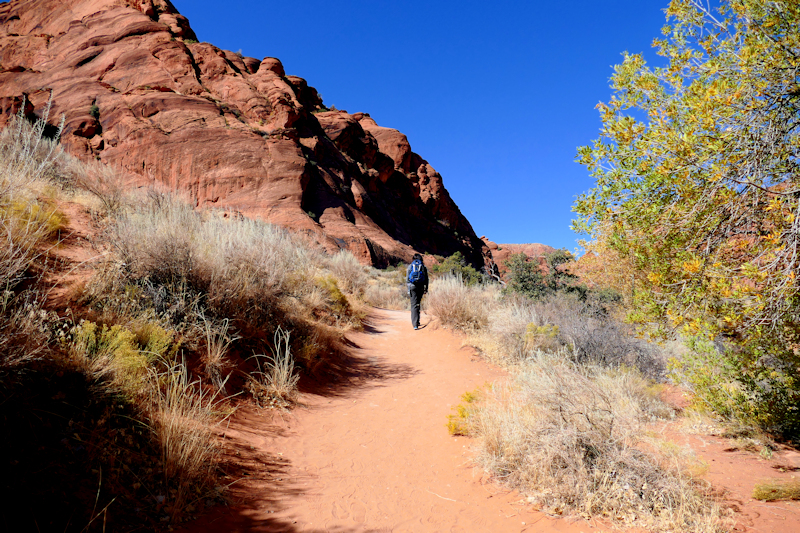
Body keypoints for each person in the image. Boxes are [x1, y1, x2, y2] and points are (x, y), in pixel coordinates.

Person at [406, 253, 428, 330]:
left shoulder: (410, 266)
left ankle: (415, 324)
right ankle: (417, 321)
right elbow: (426, 279)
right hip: (421, 287)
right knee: (418, 304)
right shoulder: (423, 267)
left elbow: (407, 279)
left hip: (412, 287)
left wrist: (409, 289)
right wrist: (426, 289)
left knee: (414, 305)